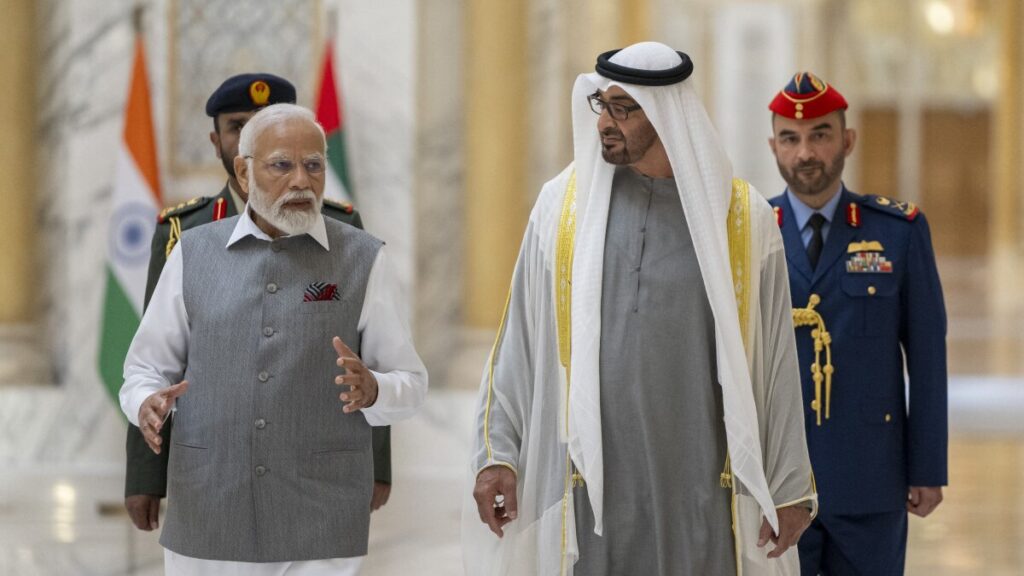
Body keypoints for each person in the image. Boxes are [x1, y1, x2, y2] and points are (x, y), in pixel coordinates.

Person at [464, 41, 816, 576]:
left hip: (702, 484)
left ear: (664, 113)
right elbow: (519, 340)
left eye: (622, 110)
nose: (605, 121)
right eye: (601, 106)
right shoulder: (563, 210)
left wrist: (791, 485)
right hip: (594, 487)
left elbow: (776, 364)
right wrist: (497, 453)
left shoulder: (742, 221)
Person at [119, 103, 427, 574]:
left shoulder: (364, 258)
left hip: (322, 514)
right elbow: (144, 369)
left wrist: (377, 389)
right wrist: (145, 402)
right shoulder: (192, 253)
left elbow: (410, 379)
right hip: (208, 505)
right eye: (282, 165)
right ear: (243, 172)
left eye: (314, 165)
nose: (302, 181)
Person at [766, 72, 948, 575]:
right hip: (778, 477)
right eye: (791, 138)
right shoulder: (751, 234)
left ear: (847, 140)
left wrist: (927, 467)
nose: (805, 152)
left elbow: (928, 357)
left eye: (820, 134)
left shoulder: (897, 231)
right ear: (773, 147)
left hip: (871, 473)